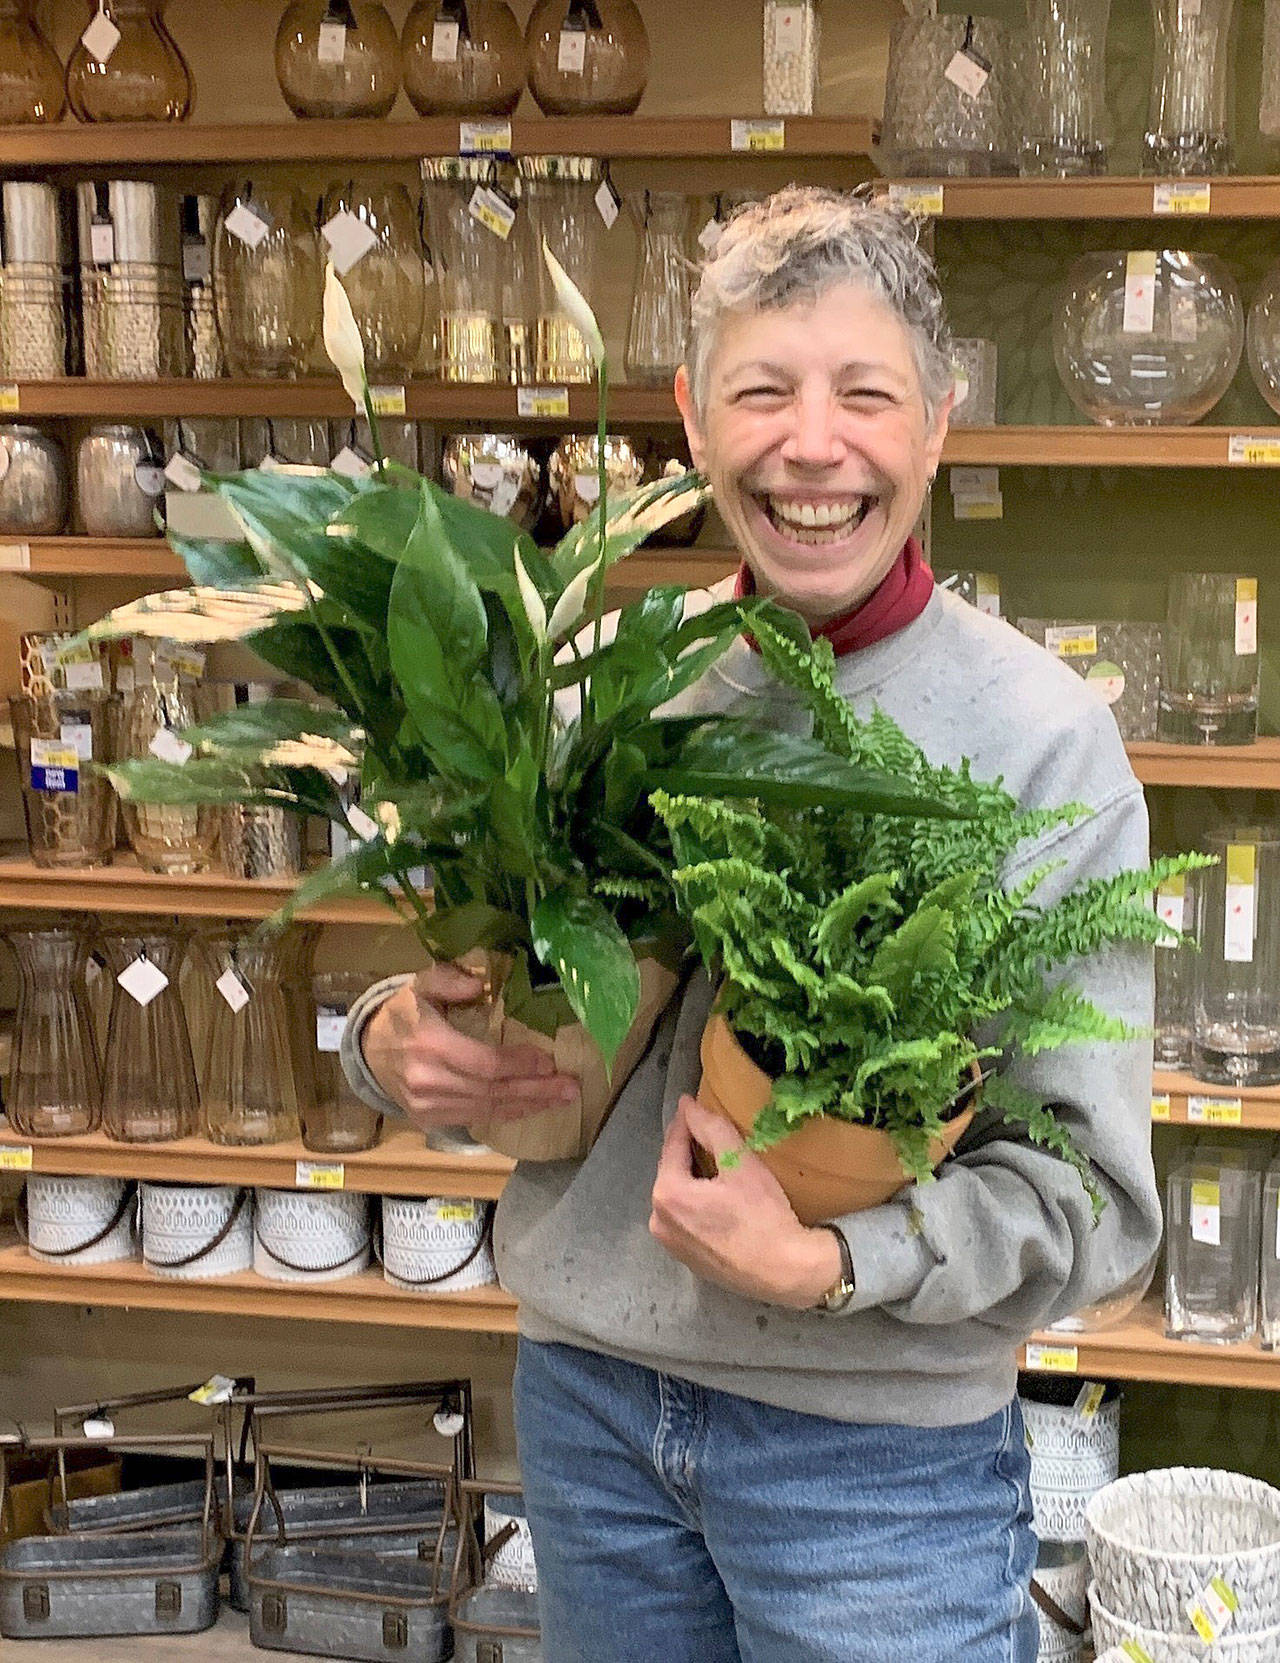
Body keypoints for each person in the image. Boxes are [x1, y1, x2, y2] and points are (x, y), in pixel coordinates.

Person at [341, 187, 1161, 1663]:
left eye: (866, 394)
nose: (812, 445)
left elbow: (1091, 1198)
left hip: (876, 1463)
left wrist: (846, 1264)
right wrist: (390, 1041)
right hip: (593, 1414)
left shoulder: (1038, 742)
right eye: (762, 391)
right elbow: (510, 1016)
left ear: (938, 420)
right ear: (692, 419)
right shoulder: (607, 681)